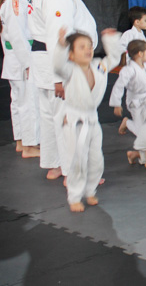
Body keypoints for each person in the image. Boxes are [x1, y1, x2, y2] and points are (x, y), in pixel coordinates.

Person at [29, 0, 97, 180]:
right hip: (59, 62)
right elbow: (57, 36)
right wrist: (59, 77)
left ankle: (55, 164)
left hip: (43, 59)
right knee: (68, 117)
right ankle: (72, 173)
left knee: (50, 115)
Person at [53, 27, 120, 212]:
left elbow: (114, 58)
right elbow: (57, 65)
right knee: (77, 161)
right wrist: (61, 46)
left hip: (92, 120)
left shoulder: (99, 67)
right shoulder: (69, 70)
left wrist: (110, 40)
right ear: (71, 55)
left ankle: (91, 190)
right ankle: (74, 196)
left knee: (96, 159)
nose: (88, 50)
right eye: (81, 47)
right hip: (74, 121)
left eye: (89, 46)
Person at [0, 0, 41, 159]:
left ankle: (21, 142)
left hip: (15, 60)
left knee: (19, 103)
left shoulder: (11, 3)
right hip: (21, 60)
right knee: (28, 103)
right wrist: (28, 63)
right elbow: (17, 36)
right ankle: (29, 145)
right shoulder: (15, 4)